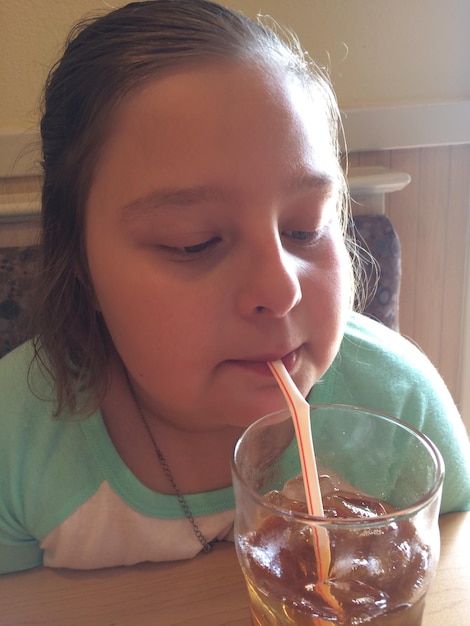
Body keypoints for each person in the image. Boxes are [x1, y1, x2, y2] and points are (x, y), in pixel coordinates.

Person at [1, 0, 469, 575]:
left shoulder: (403, 409)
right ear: (80, 263)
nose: (280, 289)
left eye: (305, 228)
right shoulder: (15, 447)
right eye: (192, 242)